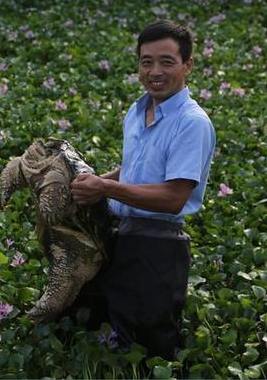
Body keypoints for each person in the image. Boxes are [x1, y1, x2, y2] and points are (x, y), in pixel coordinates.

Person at [70, 19, 216, 359]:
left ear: (187, 65)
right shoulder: (137, 112)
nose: (155, 71)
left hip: (157, 247)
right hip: (119, 236)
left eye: (167, 61)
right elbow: (136, 169)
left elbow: (173, 197)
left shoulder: (192, 123)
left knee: (149, 348)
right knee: (100, 332)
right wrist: (95, 182)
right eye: (146, 61)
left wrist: (104, 187)